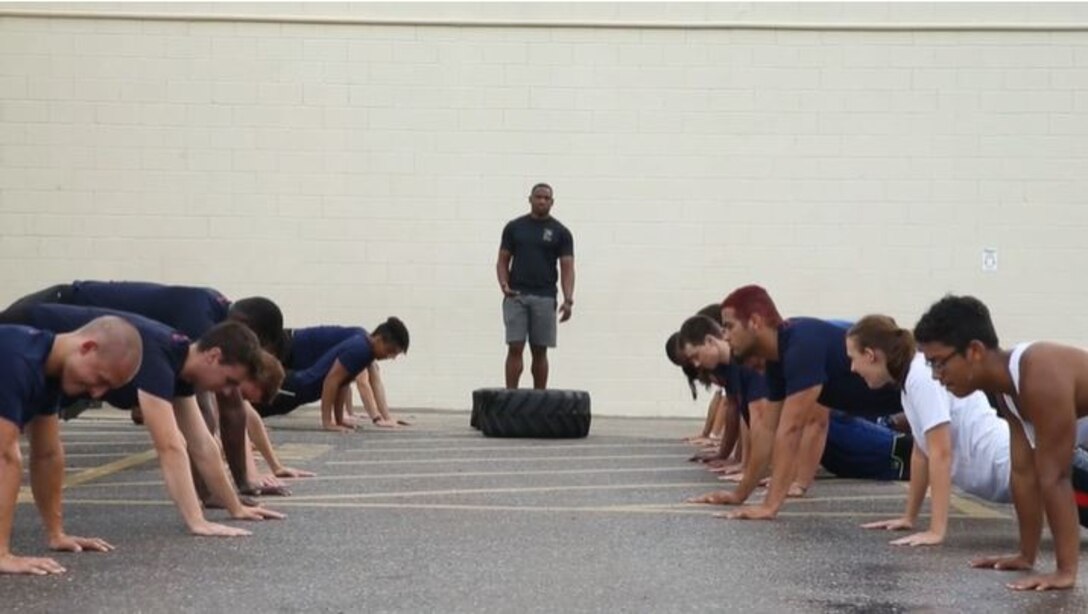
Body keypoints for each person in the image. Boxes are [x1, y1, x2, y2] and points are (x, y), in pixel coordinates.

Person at [0, 303, 285, 535]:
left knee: (42, 447)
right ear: (213, 356)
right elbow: (170, 446)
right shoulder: (158, 355)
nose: (226, 391)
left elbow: (202, 444)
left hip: (58, 343)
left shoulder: (180, 359)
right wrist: (197, 521)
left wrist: (234, 507)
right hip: (26, 326)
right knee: (7, 447)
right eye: (229, 380)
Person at [4, 282, 309, 494]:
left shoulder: (211, 322)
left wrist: (256, 473)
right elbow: (217, 411)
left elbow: (230, 410)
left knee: (44, 439)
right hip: (51, 311)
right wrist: (238, 484)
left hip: (82, 333)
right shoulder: (202, 323)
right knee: (11, 439)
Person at [913, 295, 1088, 591]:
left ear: (975, 351)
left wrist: (1065, 572)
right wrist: (1025, 555)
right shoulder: (1008, 391)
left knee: (1052, 473)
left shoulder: (1037, 375)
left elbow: (1056, 477)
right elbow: (1023, 473)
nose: (936, 376)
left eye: (939, 363)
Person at [675, 315, 910, 509]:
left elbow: (813, 423)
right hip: (842, 442)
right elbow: (758, 423)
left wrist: (798, 482)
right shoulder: (769, 358)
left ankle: (891, 425)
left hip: (851, 436)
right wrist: (747, 470)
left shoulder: (801, 351)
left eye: (695, 356)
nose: (695, 365)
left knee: (906, 452)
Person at [714, 285, 903, 521]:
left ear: (754, 321)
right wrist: (738, 495)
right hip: (890, 405)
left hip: (918, 395)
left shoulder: (801, 344)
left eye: (729, 326)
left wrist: (770, 506)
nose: (725, 336)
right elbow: (767, 431)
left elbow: (792, 429)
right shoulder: (777, 359)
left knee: (937, 458)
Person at [847, 314, 1013, 547]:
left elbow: (940, 452)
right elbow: (921, 452)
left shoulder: (920, 376)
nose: (853, 368)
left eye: (853, 358)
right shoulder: (909, 382)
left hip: (1013, 466)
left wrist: (936, 531)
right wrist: (909, 517)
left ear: (870, 355)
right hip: (1009, 476)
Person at [0, 317, 142, 575]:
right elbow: (4, 456)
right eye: (101, 378)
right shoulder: (16, 359)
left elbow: (48, 454)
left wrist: (56, 534)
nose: (97, 393)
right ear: (87, 347)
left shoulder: (48, 369)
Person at [257, 318, 409, 432]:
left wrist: (339, 419)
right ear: (379, 339)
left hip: (302, 388)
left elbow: (343, 384)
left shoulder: (366, 351)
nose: (391, 357)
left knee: (275, 407)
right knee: (256, 403)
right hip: (298, 385)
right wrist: (327, 422)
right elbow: (331, 380)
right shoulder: (360, 349)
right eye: (390, 351)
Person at [496, 183, 575, 389]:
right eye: (538, 197)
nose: (542, 201)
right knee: (515, 347)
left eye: (546, 198)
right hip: (516, 295)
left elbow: (567, 267)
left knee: (540, 350)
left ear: (552, 202)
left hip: (545, 297)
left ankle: (539, 399)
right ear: (530, 199)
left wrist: (568, 299)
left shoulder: (561, 232)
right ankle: (511, 397)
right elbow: (502, 260)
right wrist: (504, 284)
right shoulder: (514, 227)